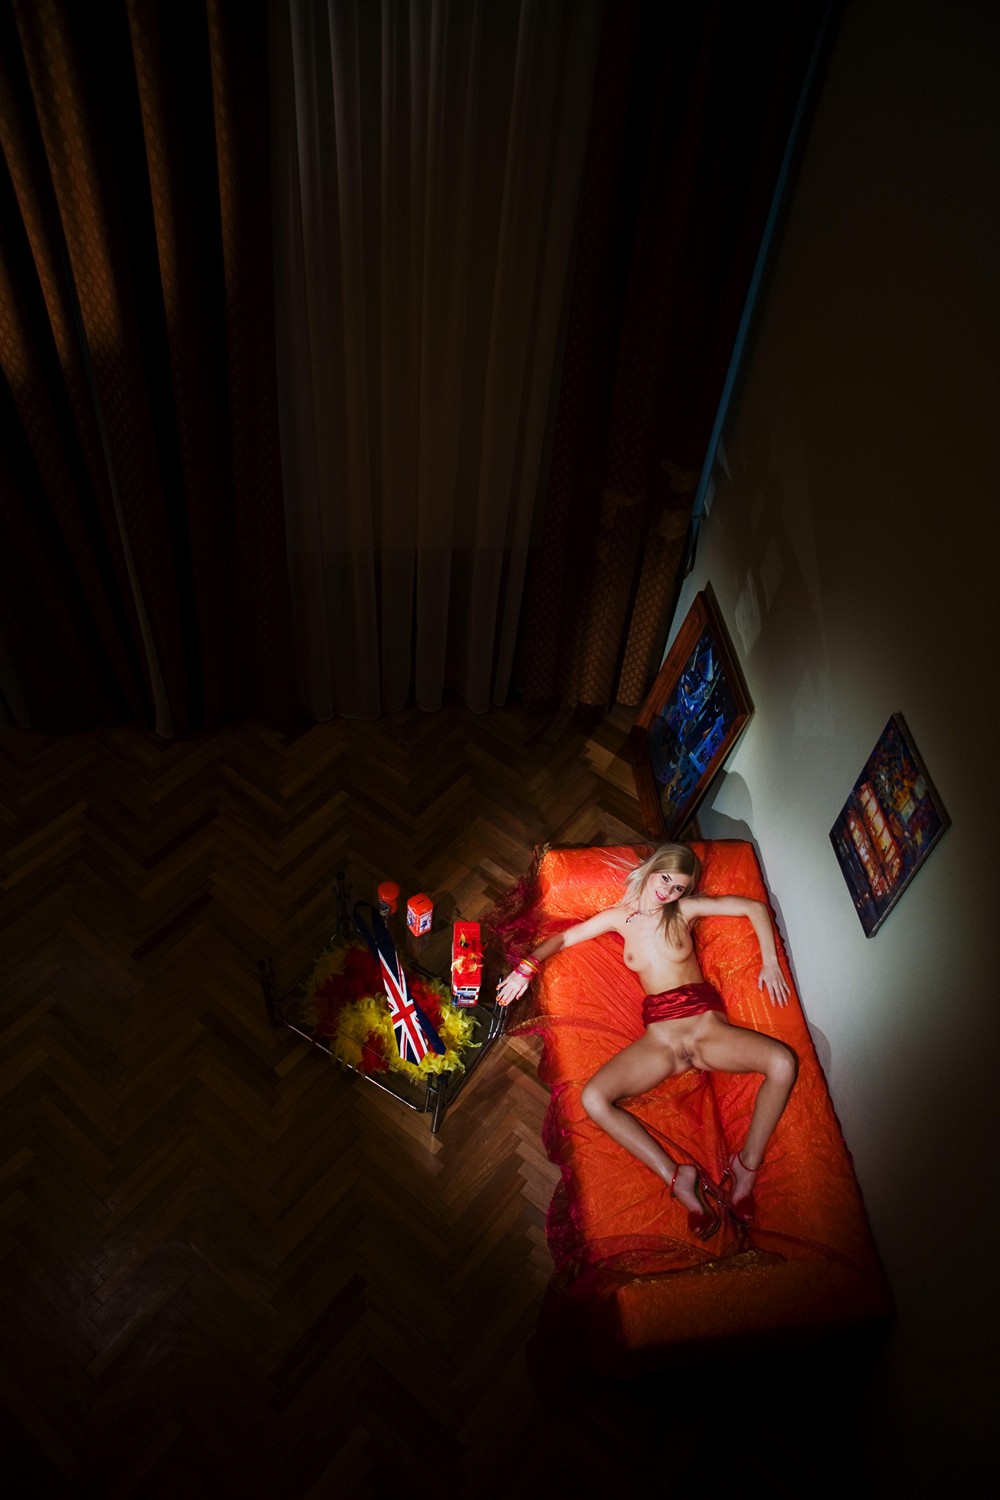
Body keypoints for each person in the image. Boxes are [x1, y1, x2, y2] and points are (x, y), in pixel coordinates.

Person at [496, 843, 798, 1240]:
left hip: (705, 1030)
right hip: (661, 1039)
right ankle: (677, 1177)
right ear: (652, 868)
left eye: (678, 887)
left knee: (782, 1063)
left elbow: (753, 908)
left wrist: (770, 963)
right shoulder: (618, 918)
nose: (667, 891)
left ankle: (747, 1166)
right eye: (665, 879)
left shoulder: (684, 911)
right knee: (593, 1098)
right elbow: (565, 939)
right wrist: (526, 969)